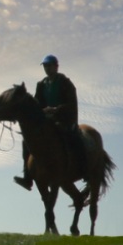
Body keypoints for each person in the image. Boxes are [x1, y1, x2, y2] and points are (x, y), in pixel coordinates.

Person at [14, 54, 79, 191]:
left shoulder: (65, 83)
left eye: (49, 65)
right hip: (47, 121)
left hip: (63, 119)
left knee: (72, 140)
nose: (47, 68)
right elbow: (37, 105)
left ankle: (81, 167)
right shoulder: (41, 84)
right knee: (27, 141)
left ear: (56, 66)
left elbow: (71, 104)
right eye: (45, 66)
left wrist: (56, 109)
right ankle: (28, 177)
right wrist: (41, 111)